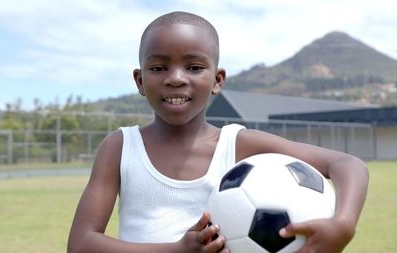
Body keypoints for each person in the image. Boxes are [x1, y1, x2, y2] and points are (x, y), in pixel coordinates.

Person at [67, 11, 369, 253]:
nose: (175, 79)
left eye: (194, 67)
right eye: (158, 68)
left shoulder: (239, 145)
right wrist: (176, 251)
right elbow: (81, 244)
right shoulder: (121, 146)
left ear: (217, 79)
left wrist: (343, 225)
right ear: (139, 80)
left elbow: (347, 165)